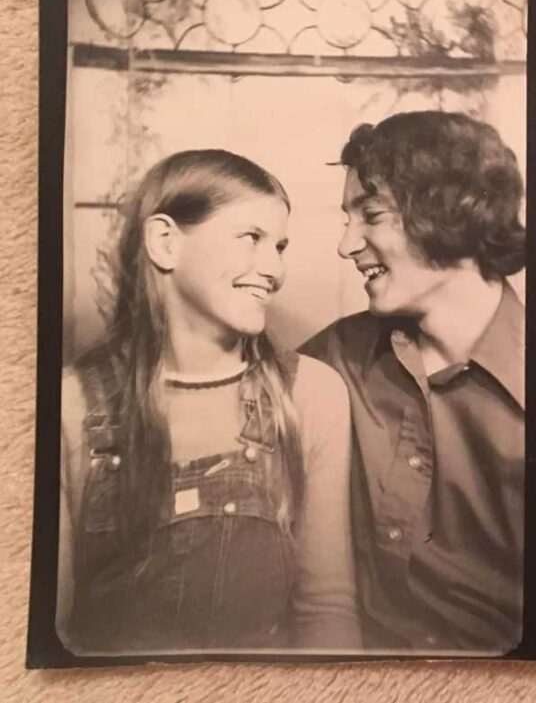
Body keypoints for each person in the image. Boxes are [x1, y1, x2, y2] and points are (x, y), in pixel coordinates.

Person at [57, 150, 362, 654]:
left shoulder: (311, 394)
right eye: (252, 239)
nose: (274, 269)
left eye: (280, 246)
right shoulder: (70, 406)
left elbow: (326, 611)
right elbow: (52, 636)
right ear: (165, 242)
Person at [301, 111, 526, 654]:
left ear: (448, 213)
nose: (346, 245)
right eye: (346, 219)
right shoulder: (335, 358)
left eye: (370, 215)